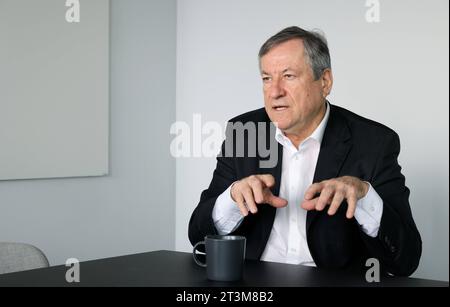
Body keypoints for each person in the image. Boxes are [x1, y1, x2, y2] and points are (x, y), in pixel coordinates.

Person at [188, 26, 421, 276]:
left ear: (325, 81)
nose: (274, 91)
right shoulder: (244, 132)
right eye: (267, 78)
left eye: (288, 76)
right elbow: (198, 237)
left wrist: (364, 196)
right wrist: (233, 199)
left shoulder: (374, 142)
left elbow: (405, 260)